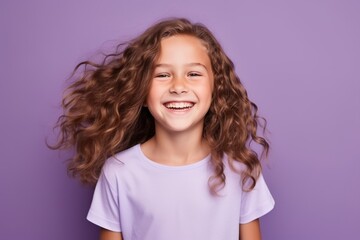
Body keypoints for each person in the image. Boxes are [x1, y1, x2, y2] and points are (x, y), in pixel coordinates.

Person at [53, 18, 275, 240]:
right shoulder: (119, 172)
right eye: (162, 75)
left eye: (194, 74)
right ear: (141, 91)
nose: (178, 87)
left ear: (215, 89)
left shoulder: (241, 168)